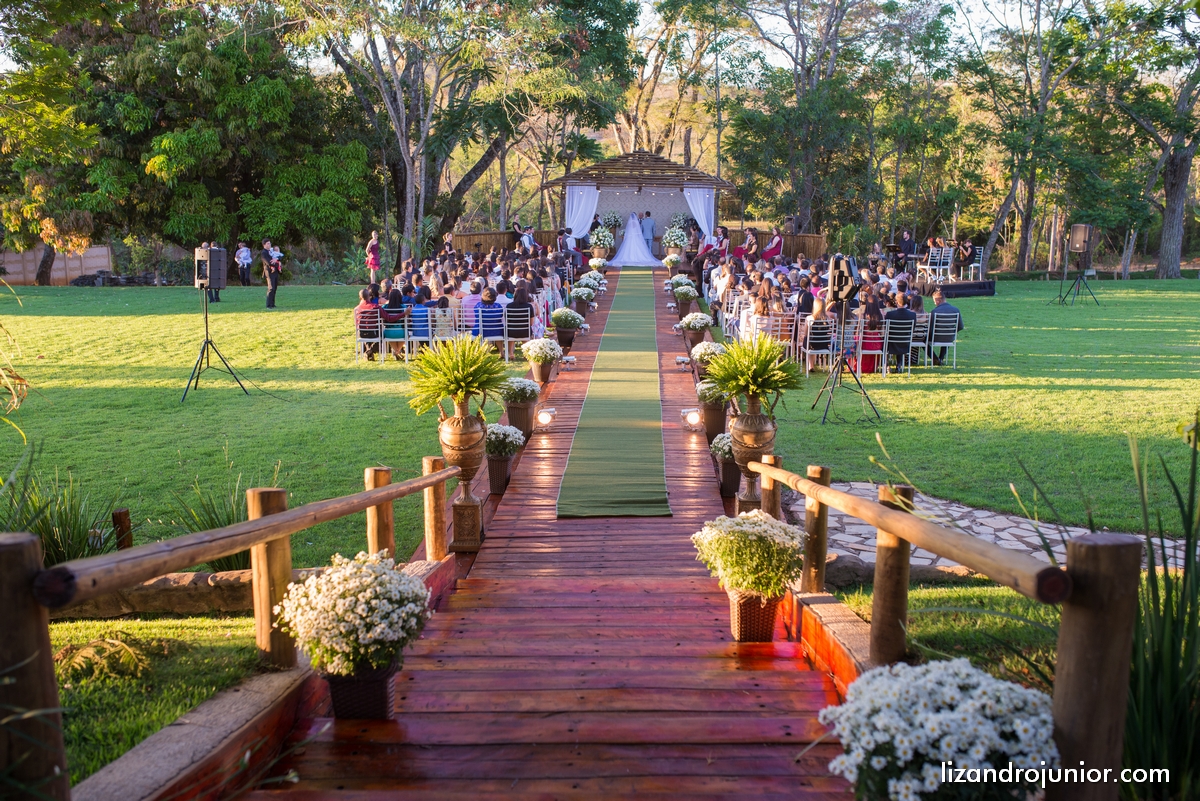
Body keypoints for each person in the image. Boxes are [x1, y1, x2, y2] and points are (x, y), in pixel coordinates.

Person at [928, 288, 964, 365]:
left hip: (936, 336)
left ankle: (935, 358)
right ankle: (940, 358)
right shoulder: (956, 310)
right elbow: (960, 326)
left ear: (938, 301)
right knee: (947, 335)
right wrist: (952, 331)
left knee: (923, 340)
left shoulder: (934, 312)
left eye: (935, 302)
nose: (935, 304)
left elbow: (930, 329)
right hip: (949, 337)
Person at [884, 294, 917, 371]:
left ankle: (887, 364)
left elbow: (886, 328)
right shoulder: (912, 315)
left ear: (896, 302)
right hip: (905, 341)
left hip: (891, 342)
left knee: (887, 339)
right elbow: (913, 329)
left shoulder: (890, 314)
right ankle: (899, 364)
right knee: (900, 337)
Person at [355, 288, 381, 360]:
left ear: (360, 298)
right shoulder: (376, 307)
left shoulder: (356, 309)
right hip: (373, 333)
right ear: (369, 296)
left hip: (361, 333)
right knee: (382, 331)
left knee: (366, 330)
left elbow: (356, 324)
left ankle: (368, 351)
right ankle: (370, 351)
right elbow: (387, 318)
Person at [261, 239, 281, 309]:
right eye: (268, 243)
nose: (269, 245)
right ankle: (268, 305)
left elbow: (279, 257)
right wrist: (276, 263)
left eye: (270, 243)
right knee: (271, 288)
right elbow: (268, 262)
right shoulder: (264, 253)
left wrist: (276, 260)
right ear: (264, 245)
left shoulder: (271, 251)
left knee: (275, 288)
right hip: (269, 272)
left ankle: (272, 304)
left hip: (275, 272)